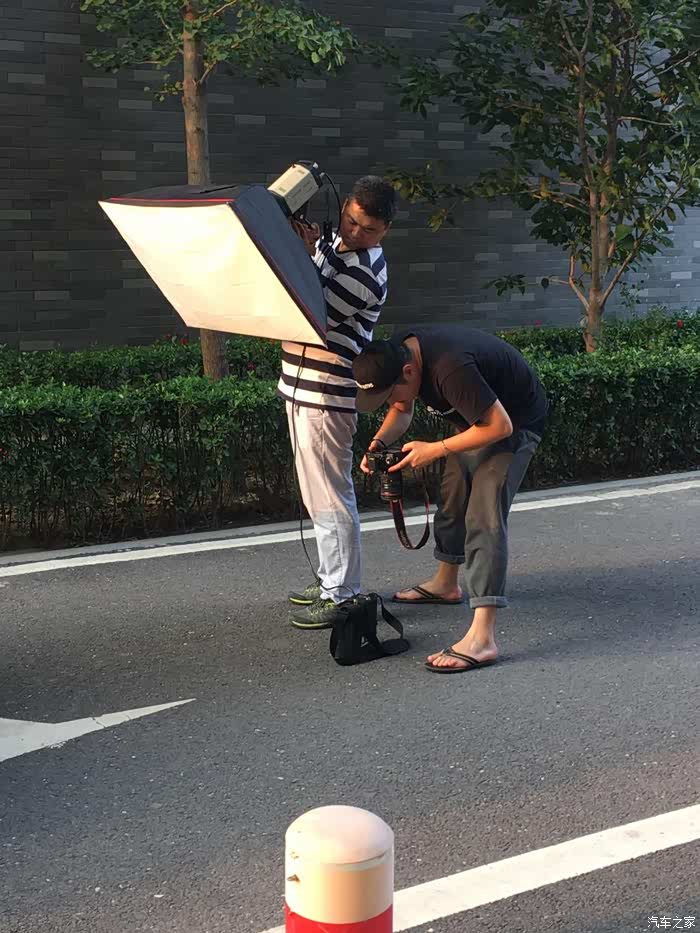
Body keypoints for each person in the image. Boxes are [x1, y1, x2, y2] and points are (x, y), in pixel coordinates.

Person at [352, 325, 548, 672]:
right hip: (476, 421)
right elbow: (402, 408)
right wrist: (378, 444)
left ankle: (483, 637)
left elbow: (499, 426)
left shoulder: (450, 368)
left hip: (514, 423)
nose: (390, 402)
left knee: (483, 515)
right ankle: (446, 584)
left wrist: (437, 448)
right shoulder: (398, 353)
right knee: (453, 496)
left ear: (408, 372)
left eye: (389, 393)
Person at [279, 175, 397, 630]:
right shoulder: (333, 243)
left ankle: (342, 592)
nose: (355, 233)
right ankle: (332, 578)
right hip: (302, 385)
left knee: (330, 495)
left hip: (327, 393)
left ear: (386, 229)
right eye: (351, 221)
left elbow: (310, 311)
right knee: (316, 493)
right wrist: (309, 246)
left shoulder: (364, 271)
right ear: (344, 206)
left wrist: (302, 254)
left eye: (369, 229)